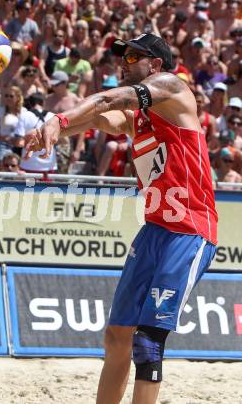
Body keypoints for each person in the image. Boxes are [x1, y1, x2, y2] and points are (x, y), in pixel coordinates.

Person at [25, 33, 218, 404]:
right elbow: (102, 116)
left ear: (155, 64)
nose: (124, 62)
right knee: (117, 336)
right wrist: (52, 129)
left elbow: (111, 98)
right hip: (155, 230)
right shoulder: (140, 120)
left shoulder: (172, 88)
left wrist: (59, 117)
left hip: (190, 231)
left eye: (133, 56)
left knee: (147, 342)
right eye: (122, 57)